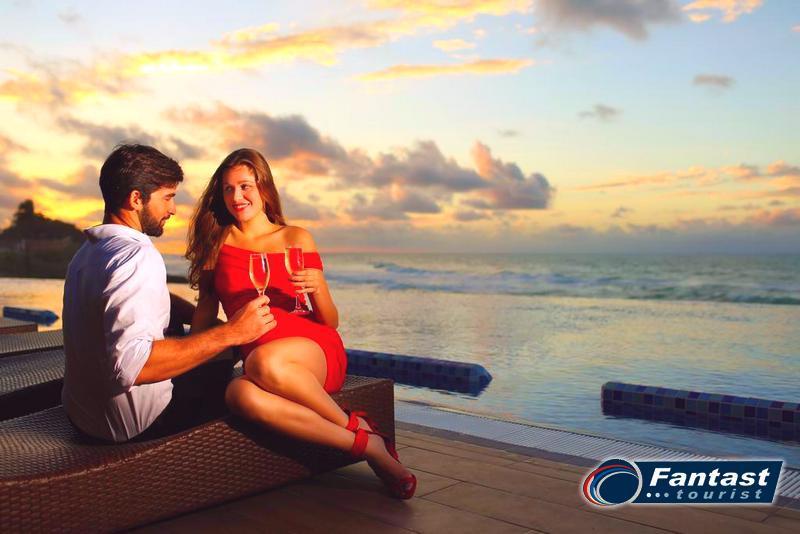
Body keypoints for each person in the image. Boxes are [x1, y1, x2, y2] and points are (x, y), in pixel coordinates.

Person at [186, 148, 416, 499]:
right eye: (228, 189)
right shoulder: (216, 242)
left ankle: (351, 425)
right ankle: (366, 443)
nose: (236, 196)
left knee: (262, 362)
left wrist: (318, 286)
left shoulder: (296, 238)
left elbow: (330, 322)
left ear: (264, 188)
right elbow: (206, 305)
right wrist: (191, 352)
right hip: (262, 361)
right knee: (238, 394)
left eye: (245, 186)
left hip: (312, 350)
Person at [62, 144, 275, 443]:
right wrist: (232, 332)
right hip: (134, 427)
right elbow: (132, 367)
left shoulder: (88, 253)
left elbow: (129, 302)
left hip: (82, 417)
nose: (173, 209)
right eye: (167, 197)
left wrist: (195, 315)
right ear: (136, 199)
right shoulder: (136, 256)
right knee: (233, 366)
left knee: (192, 336)